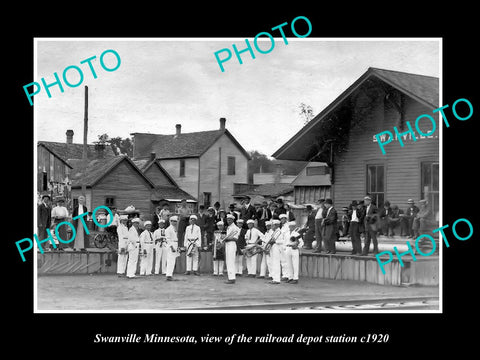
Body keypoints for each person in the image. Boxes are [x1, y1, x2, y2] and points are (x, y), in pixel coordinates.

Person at [224, 214, 240, 284]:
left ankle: (232, 278)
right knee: (228, 261)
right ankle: (230, 277)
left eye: (230, 219)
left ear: (233, 220)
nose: (228, 221)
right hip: (228, 244)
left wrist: (227, 239)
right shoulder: (229, 227)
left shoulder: (235, 228)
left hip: (232, 244)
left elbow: (235, 238)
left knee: (231, 261)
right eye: (227, 219)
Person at [267, 219, 283, 284]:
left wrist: (274, 241)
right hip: (273, 247)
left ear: (276, 225)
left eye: (272, 225)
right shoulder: (275, 232)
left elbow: (281, 241)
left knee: (276, 263)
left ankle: (277, 279)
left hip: (277, 247)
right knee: (273, 263)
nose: (271, 227)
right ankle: (274, 278)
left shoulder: (279, 231)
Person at [165, 215, 180, 281]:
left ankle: (170, 274)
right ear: (170, 221)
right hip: (171, 245)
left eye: (175, 221)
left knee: (172, 261)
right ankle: (168, 275)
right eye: (173, 221)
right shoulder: (168, 229)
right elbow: (168, 239)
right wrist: (171, 247)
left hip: (175, 244)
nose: (174, 222)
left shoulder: (174, 228)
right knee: (170, 261)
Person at [279, 214, 291, 281]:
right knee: (283, 261)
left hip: (286, 245)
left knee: (286, 262)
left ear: (286, 219)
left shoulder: (288, 226)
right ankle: (285, 275)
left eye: (283, 219)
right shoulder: (282, 227)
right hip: (282, 245)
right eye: (281, 219)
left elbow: (287, 236)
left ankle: (288, 275)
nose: (282, 220)